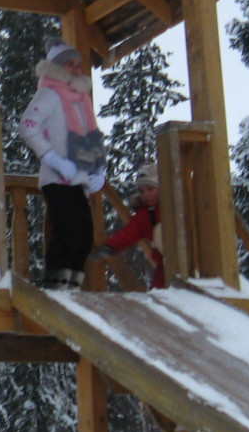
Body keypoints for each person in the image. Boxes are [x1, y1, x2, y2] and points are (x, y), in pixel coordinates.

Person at [21, 37, 106, 288]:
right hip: (57, 179)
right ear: (57, 66)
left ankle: (72, 286)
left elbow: (93, 137)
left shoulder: (81, 99)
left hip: (78, 180)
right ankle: (55, 285)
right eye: (69, 64)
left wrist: (99, 169)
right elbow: (27, 127)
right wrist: (53, 159)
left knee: (84, 237)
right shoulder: (48, 94)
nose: (75, 68)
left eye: (77, 64)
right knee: (67, 233)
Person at [102, 163, 166, 289]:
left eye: (150, 189)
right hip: (164, 264)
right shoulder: (146, 215)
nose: (145, 195)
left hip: (186, 261)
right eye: (142, 191)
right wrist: (110, 246)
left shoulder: (173, 208)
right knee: (160, 291)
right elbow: (130, 232)